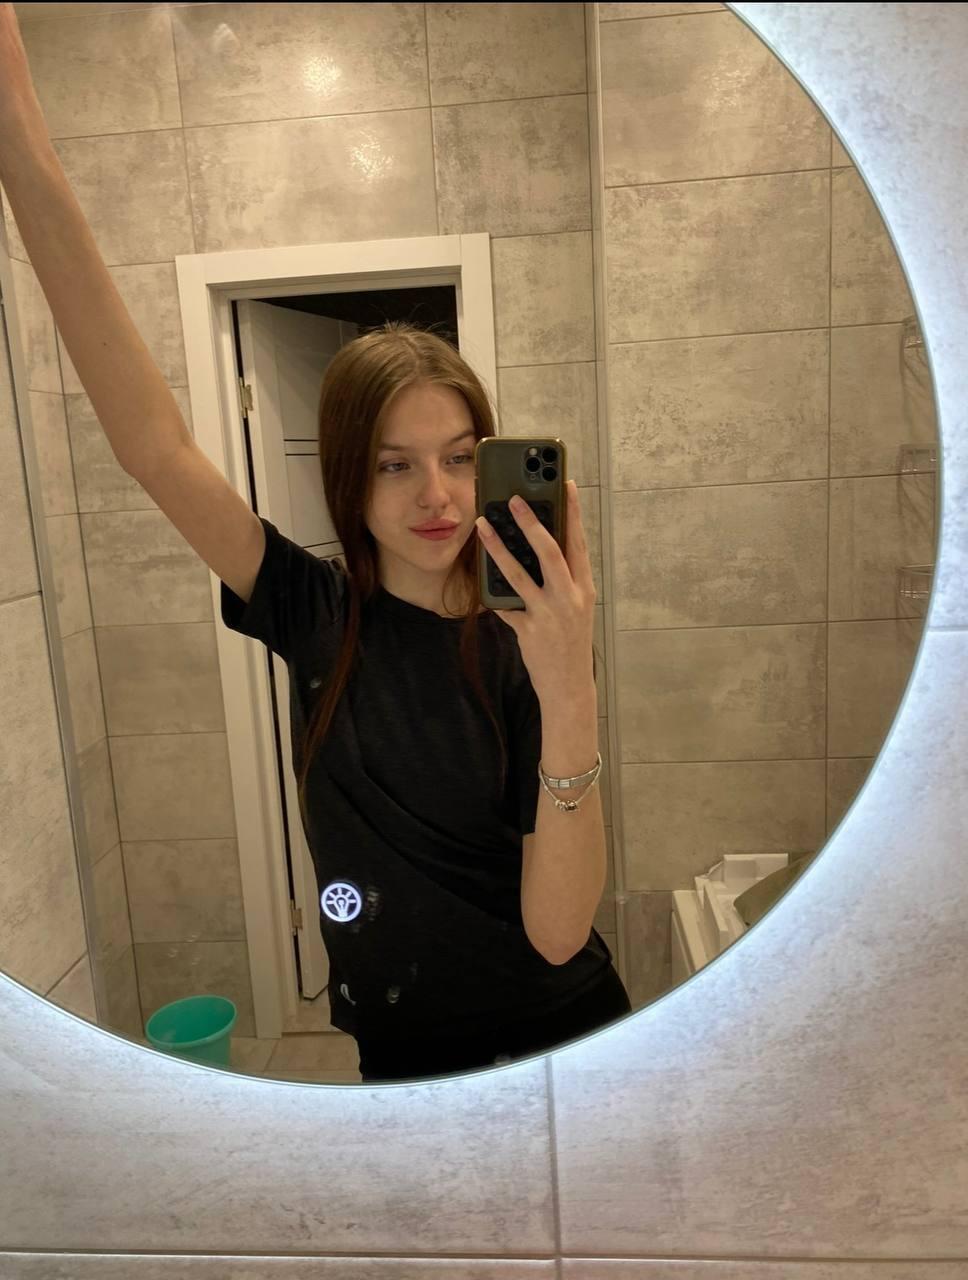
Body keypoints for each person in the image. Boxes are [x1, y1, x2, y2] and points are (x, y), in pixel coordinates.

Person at [0, 2, 630, 1082]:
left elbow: (560, 932)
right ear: (346, 477)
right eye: (392, 463)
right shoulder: (315, 609)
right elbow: (153, 448)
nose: (435, 495)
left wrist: (569, 687)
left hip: (563, 1045)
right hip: (399, 1053)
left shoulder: (531, 638)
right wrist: (22, 147)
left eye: (457, 455)